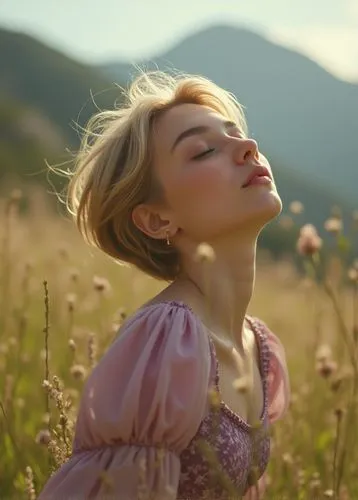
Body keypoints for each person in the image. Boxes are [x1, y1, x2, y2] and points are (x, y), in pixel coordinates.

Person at [39, 70, 290, 499]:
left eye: (237, 134)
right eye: (205, 150)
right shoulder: (171, 340)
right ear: (157, 219)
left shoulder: (259, 345)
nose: (247, 147)